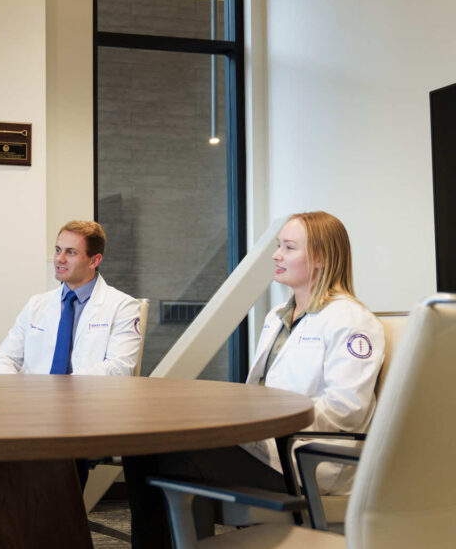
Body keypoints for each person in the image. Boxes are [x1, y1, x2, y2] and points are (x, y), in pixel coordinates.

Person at [123, 211, 384, 548]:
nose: (276, 255)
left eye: (289, 248)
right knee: (140, 446)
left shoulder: (351, 321)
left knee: (182, 456)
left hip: (304, 458)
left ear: (319, 258)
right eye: (279, 246)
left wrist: (265, 414)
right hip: (265, 445)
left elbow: (346, 409)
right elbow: (258, 389)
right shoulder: (278, 317)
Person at [0, 220, 143, 487]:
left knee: (49, 460)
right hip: (33, 409)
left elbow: (118, 369)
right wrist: (15, 391)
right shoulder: (37, 304)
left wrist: (58, 391)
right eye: (58, 249)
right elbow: (2, 357)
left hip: (86, 411)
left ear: (94, 260)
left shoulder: (122, 306)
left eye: (70, 252)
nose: (59, 259)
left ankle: (56, 524)